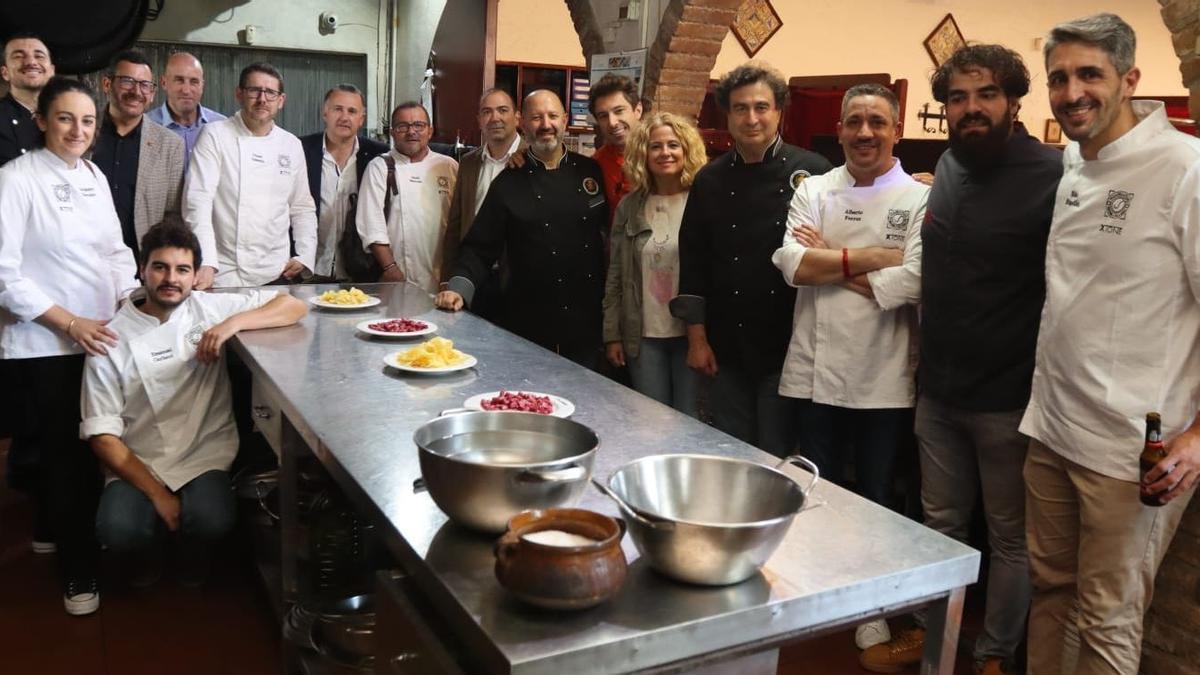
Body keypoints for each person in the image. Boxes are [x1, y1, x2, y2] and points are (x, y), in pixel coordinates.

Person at [861, 46, 1064, 675]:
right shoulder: (947, 165)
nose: (970, 108)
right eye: (957, 97)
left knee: (1009, 538)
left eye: (985, 94)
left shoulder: (1055, 175)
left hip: (1009, 396)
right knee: (938, 525)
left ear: (1014, 100)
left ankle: (996, 654)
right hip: (940, 390)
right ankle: (935, 638)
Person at [1018, 14, 1200, 674]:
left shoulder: (1186, 169)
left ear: (1130, 80)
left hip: (1129, 456)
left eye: (1089, 74)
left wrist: (1198, 436)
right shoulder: (1075, 163)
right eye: (1059, 78)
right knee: (1051, 593)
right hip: (1052, 429)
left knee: (1108, 618)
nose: (1072, 93)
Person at [769, 84, 926, 659]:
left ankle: (871, 607)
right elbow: (791, 265)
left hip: (884, 373)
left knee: (878, 493)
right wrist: (874, 257)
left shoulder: (917, 199)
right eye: (854, 122)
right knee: (817, 485)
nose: (865, 132)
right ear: (838, 130)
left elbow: (912, 282)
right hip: (815, 367)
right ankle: (817, 588)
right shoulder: (815, 188)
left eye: (876, 122)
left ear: (896, 129)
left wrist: (830, 255)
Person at [83, 222, 306, 587]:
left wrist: (231, 324)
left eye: (182, 269)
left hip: (202, 455)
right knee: (117, 530)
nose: (171, 279)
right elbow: (102, 437)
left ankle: (192, 553)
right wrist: (157, 495)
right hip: (138, 459)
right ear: (142, 270)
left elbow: (294, 305)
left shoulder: (207, 309)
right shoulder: (111, 337)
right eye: (160, 267)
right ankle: (146, 552)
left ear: (194, 275)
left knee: (212, 519)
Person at [0, 77, 138, 614]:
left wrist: (132, 296)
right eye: (64, 118)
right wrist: (69, 322)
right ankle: (79, 570)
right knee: (67, 452)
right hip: (47, 340)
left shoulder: (95, 175)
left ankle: (51, 527)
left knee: (91, 442)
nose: (77, 130)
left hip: (101, 333)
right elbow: (5, 272)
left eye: (86, 121)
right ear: (41, 120)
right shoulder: (15, 179)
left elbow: (114, 249)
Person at [671, 62, 832, 456]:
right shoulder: (709, 180)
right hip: (727, 345)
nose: (752, 117)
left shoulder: (813, 171)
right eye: (741, 108)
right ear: (727, 114)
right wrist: (697, 340)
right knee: (733, 451)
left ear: (779, 111)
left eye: (762, 107)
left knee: (780, 453)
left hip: (791, 345)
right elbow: (693, 263)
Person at [436, 90, 607, 370]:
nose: (545, 124)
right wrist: (458, 288)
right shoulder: (508, 182)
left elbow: (610, 235)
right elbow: (479, 247)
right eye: (536, 118)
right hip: (529, 317)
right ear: (523, 124)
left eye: (552, 116)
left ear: (565, 120)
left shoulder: (590, 171)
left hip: (586, 317)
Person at [602, 112, 705, 416]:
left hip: (692, 335)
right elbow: (616, 274)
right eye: (655, 146)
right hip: (642, 336)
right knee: (650, 422)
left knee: (690, 421)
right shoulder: (629, 206)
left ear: (687, 150)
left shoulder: (703, 200)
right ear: (642, 154)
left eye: (673, 145)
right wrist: (612, 334)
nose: (665, 153)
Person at [184, 62, 317, 289]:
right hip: (223, 271)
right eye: (254, 90)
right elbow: (197, 201)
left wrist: (305, 254)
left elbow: (302, 206)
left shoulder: (291, 144)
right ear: (239, 94)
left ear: (281, 100)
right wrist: (205, 260)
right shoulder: (215, 135)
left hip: (276, 271)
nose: (262, 99)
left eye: (270, 93)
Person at [92, 49, 186, 261]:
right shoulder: (84, 131)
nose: (136, 91)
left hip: (140, 262)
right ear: (107, 84)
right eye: (127, 81)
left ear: (152, 94)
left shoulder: (170, 145)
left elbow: (173, 214)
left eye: (145, 85)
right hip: (85, 257)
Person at [439, 88, 524, 318]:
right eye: (487, 112)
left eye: (502, 110)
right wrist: (449, 279)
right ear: (479, 120)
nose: (495, 118)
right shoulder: (468, 162)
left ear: (517, 117)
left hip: (519, 282)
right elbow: (455, 224)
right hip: (472, 279)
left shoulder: (533, 159)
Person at [357, 101, 457, 293]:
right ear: (393, 132)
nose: (411, 132)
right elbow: (371, 224)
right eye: (403, 126)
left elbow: (458, 222)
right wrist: (390, 268)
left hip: (442, 278)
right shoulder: (379, 166)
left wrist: (451, 275)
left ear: (430, 130)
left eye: (418, 125)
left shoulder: (449, 166)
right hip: (396, 278)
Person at [300, 84, 387, 281]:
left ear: (361, 119)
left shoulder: (378, 155)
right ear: (325, 113)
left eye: (352, 111)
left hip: (359, 272)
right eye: (337, 109)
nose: (344, 117)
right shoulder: (299, 149)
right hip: (307, 269)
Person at [147, 52, 226, 172]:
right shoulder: (145, 127)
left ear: (202, 86)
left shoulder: (222, 126)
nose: (186, 90)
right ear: (164, 82)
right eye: (179, 80)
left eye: (194, 82)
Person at [589, 74, 643, 217]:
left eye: (619, 111)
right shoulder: (597, 163)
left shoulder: (663, 154)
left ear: (637, 110)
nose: (612, 122)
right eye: (603, 116)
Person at [0, 33, 53, 165]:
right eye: (18, 56)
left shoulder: (65, 117)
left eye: (39, 56)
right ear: (5, 73)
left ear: (51, 71)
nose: (31, 62)